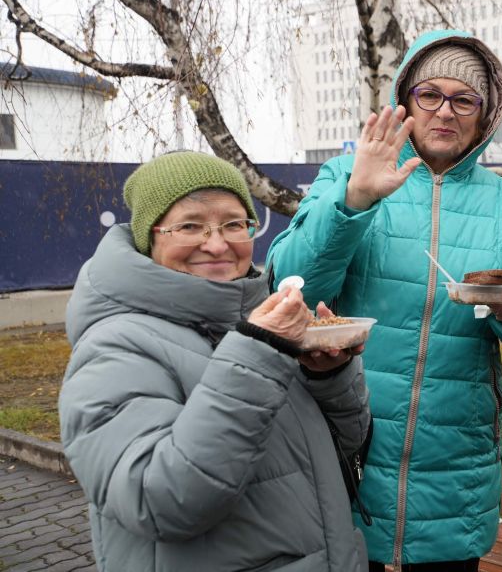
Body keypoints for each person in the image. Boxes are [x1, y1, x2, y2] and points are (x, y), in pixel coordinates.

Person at [268, 30, 502, 571]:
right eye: (430, 94)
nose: (445, 111)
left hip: (456, 466)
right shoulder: (345, 175)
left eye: (464, 99)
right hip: (348, 448)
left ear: (485, 112)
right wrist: (354, 200)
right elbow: (287, 284)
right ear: (406, 100)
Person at [59, 151, 371, 572]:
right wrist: (260, 353)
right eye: (190, 226)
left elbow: (340, 452)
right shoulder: (114, 345)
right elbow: (159, 501)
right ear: (148, 238)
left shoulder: (251, 321)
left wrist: (328, 375)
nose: (218, 243)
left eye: (234, 224)